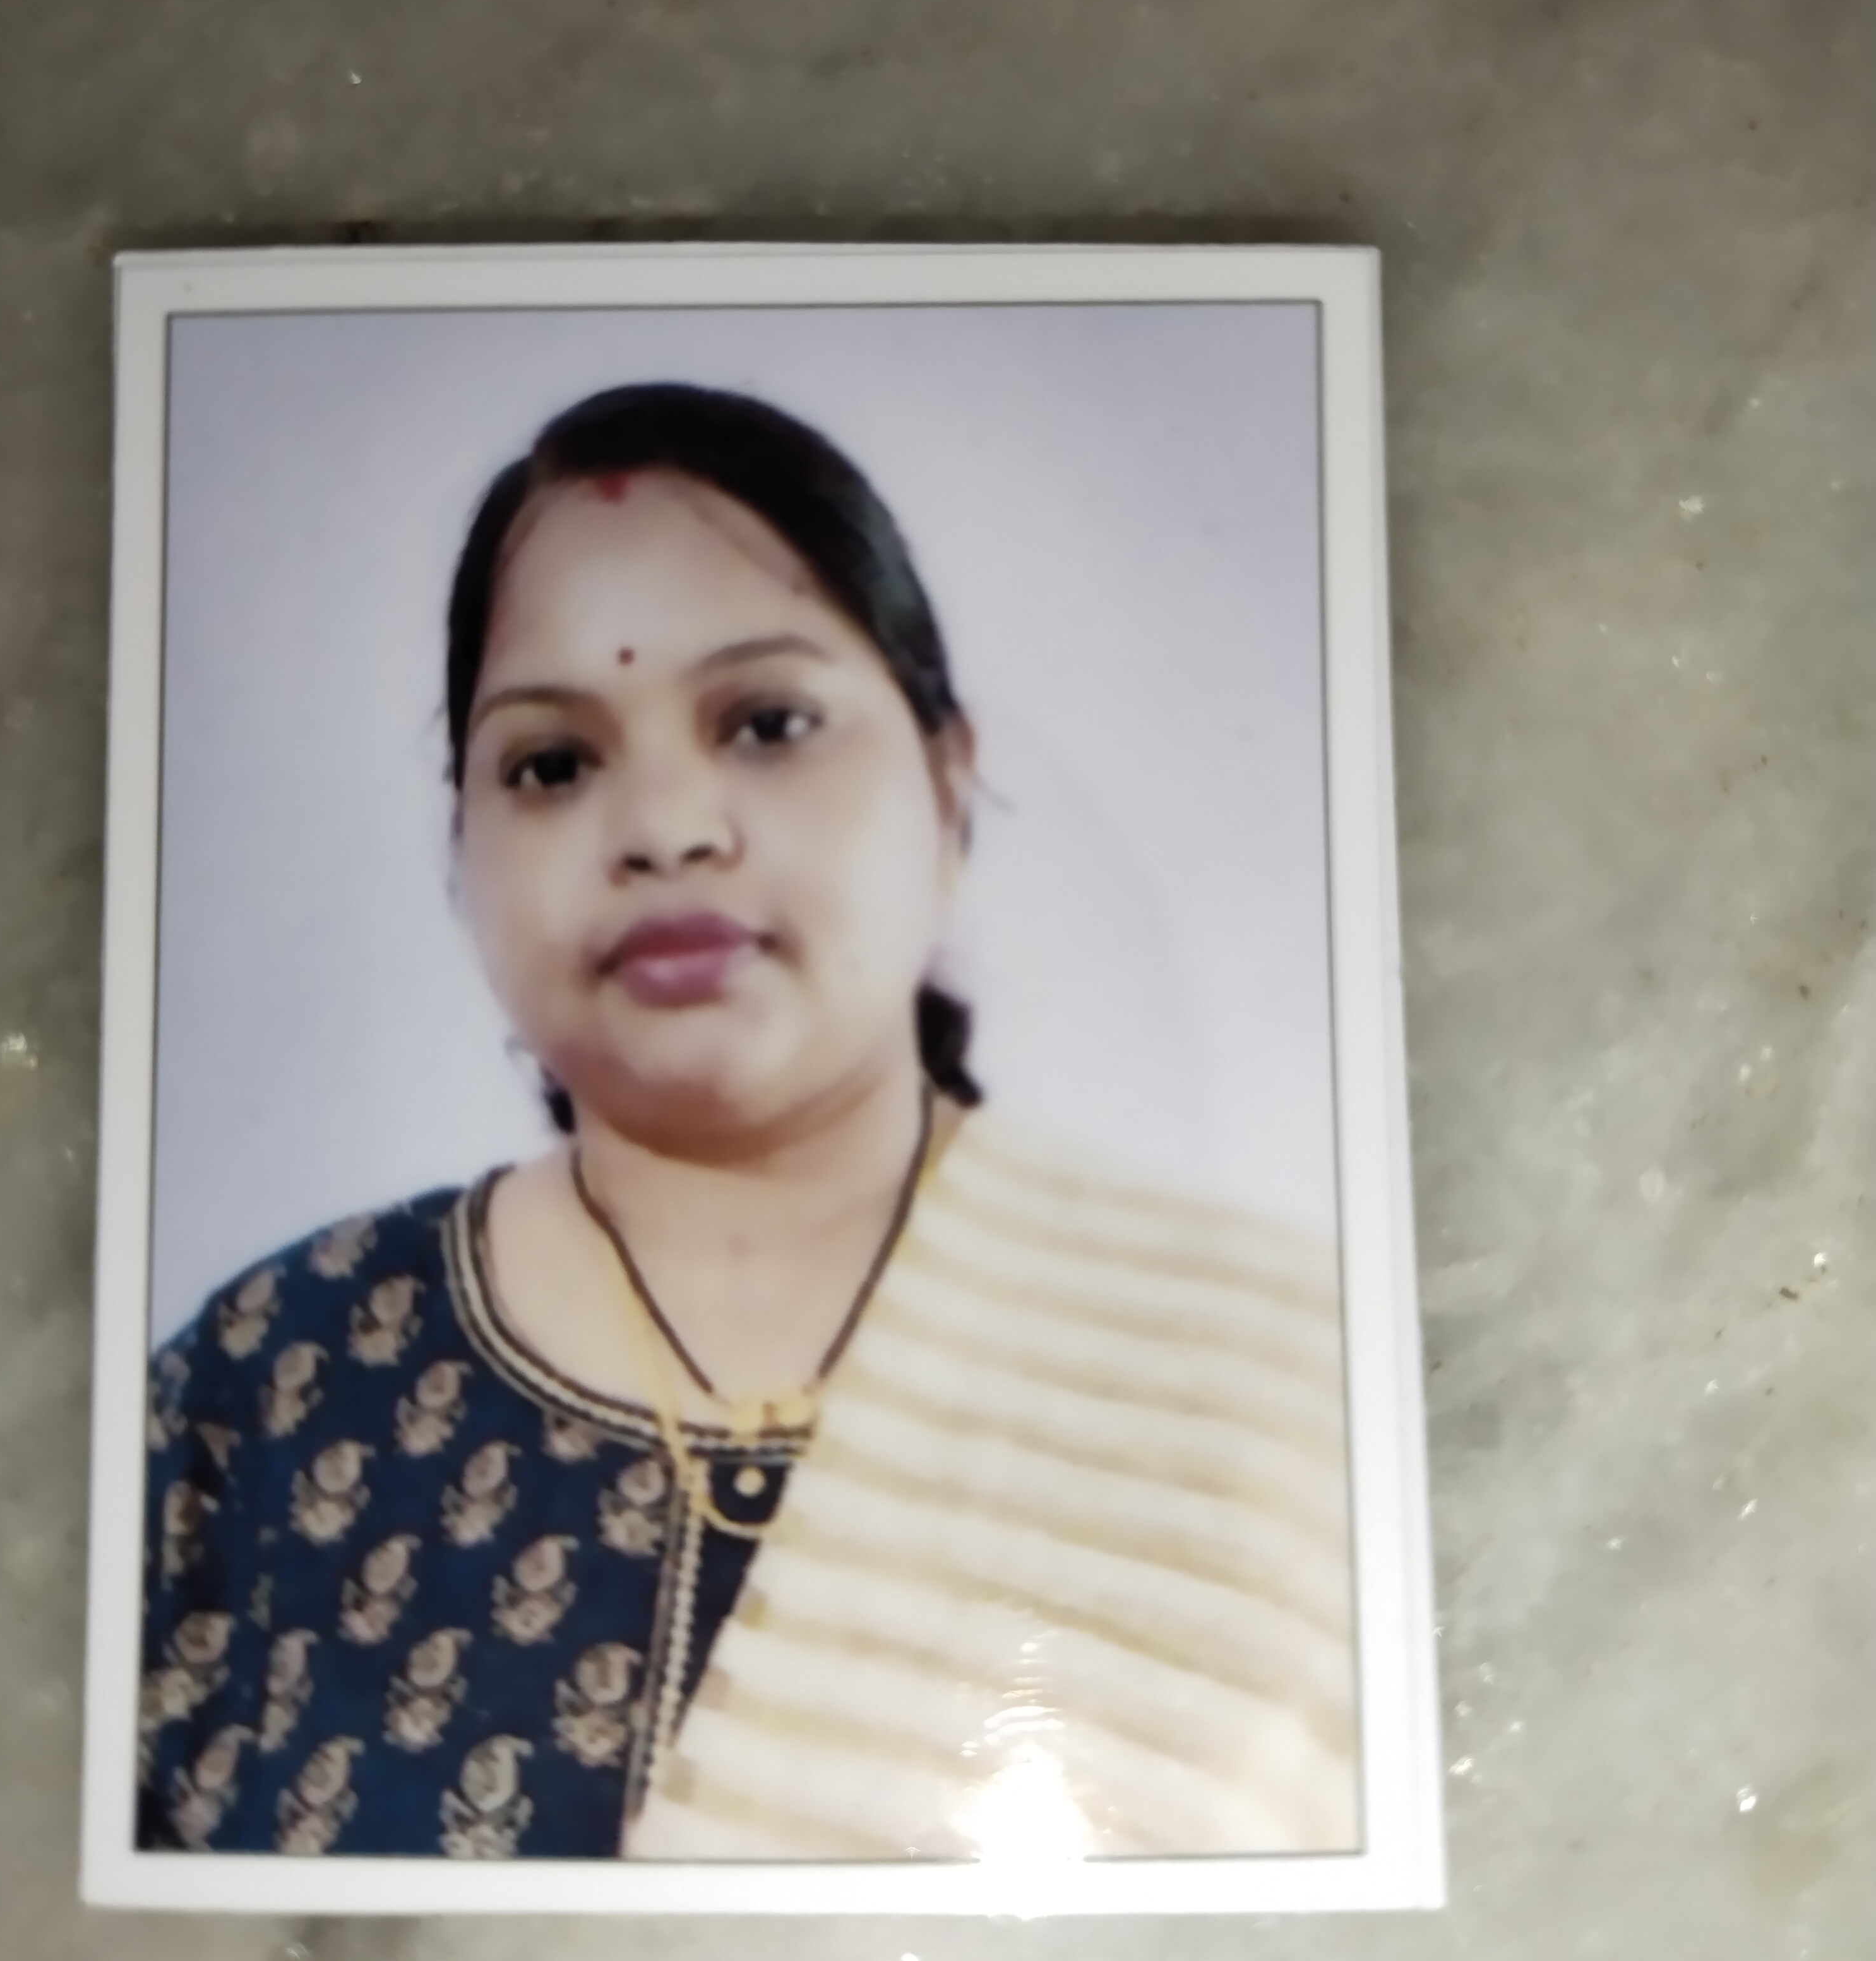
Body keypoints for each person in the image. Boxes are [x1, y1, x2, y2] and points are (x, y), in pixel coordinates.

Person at [139, 382, 1357, 1863]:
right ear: (465, 850)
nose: (666, 825)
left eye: (767, 723)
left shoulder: (1275, 1380)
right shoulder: (273, 1387)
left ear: (948, 786)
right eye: (551, 762)